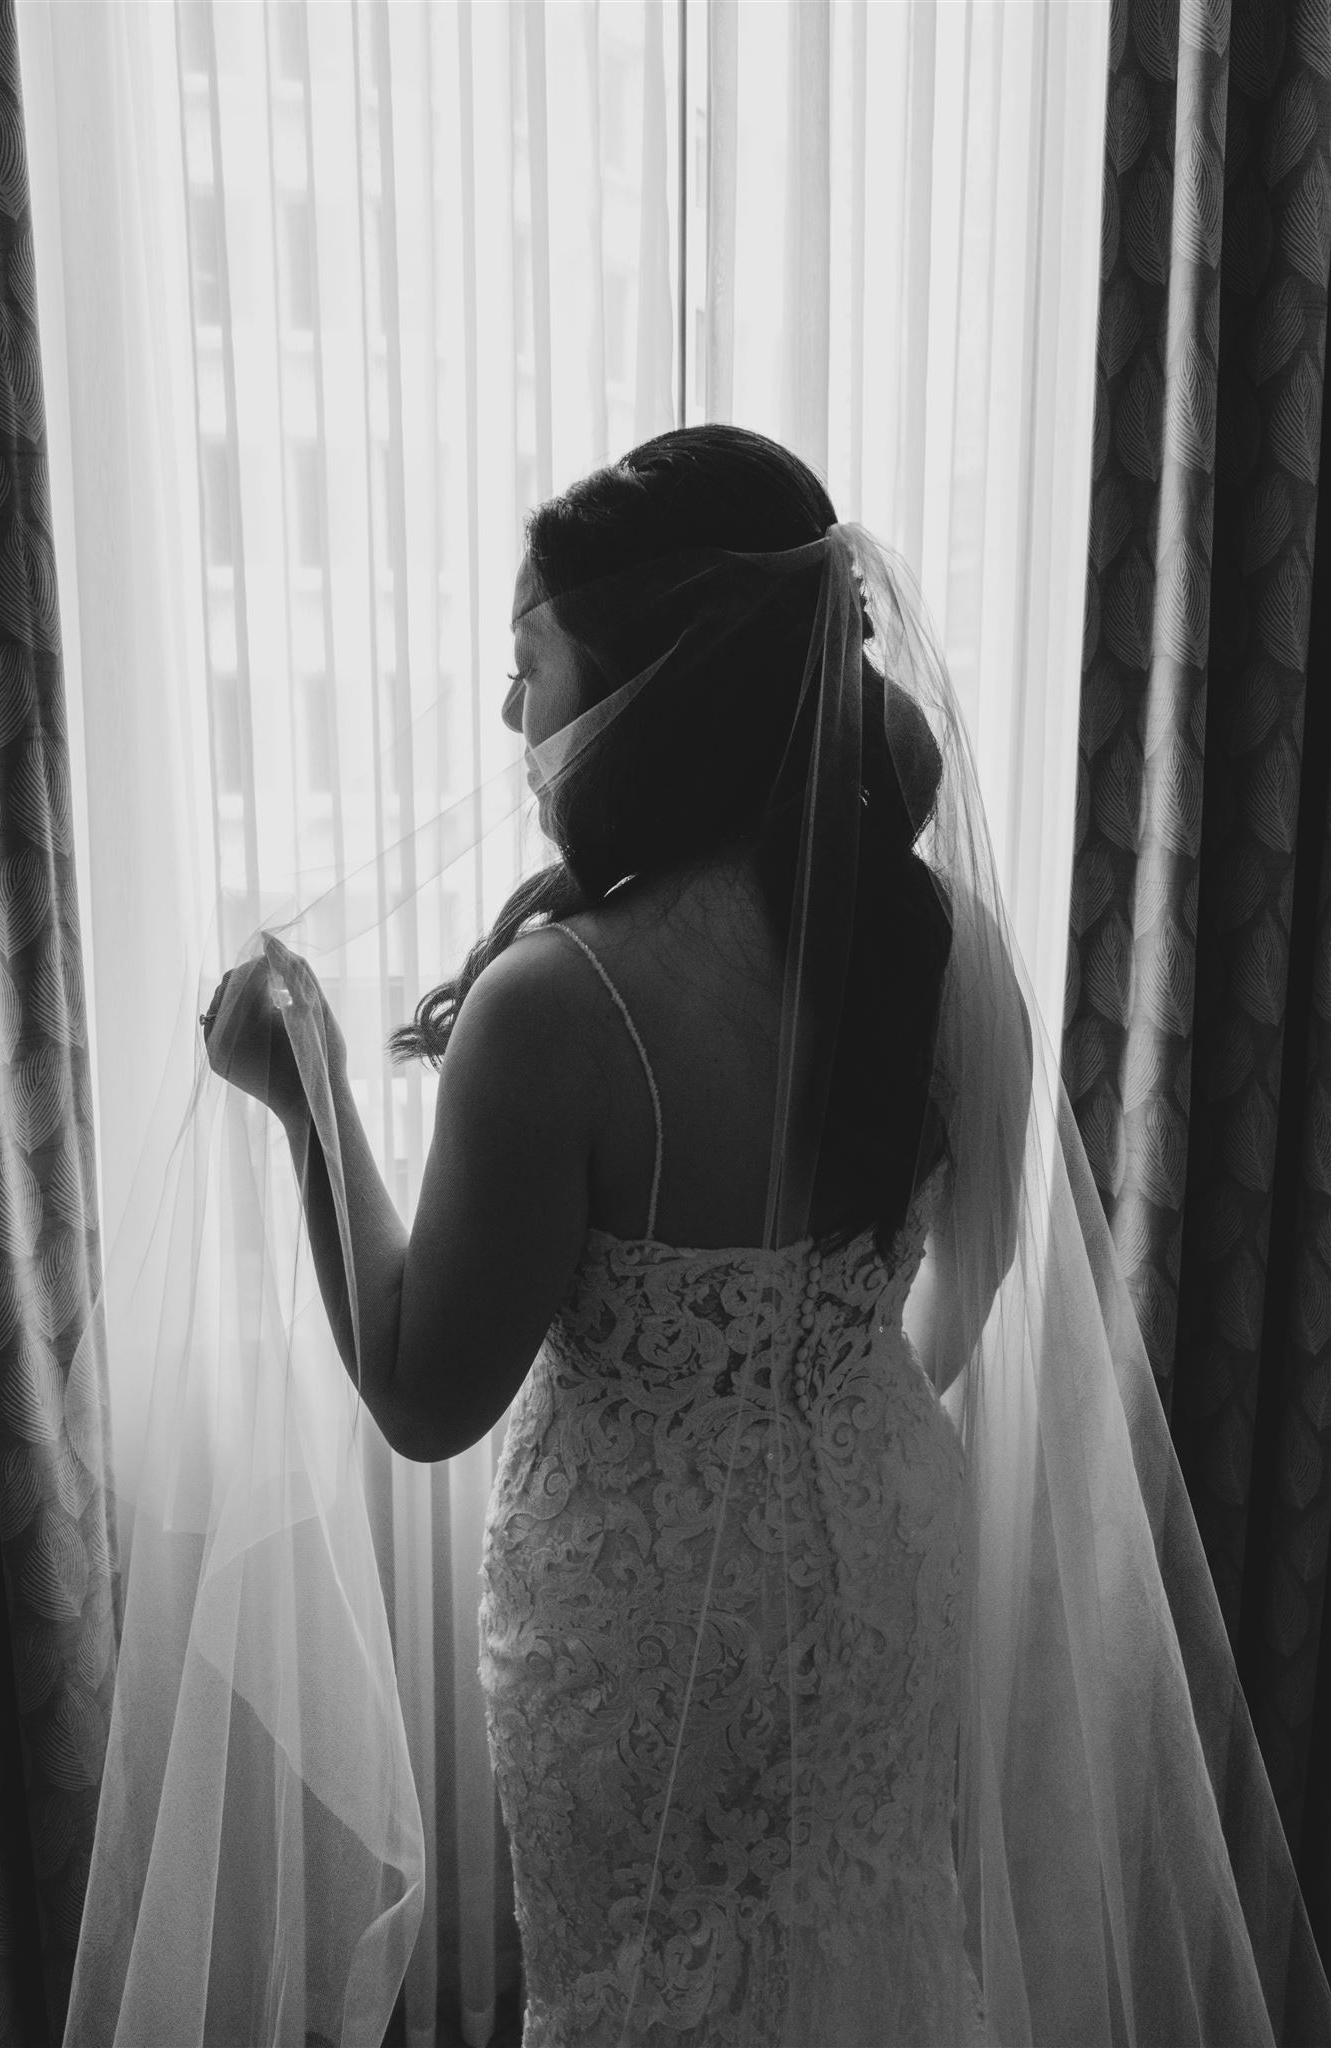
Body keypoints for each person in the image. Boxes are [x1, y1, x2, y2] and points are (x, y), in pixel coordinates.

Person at [182, 425, 1329, 2045]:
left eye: (529, 662)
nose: (509, 715)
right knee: (867, 1947)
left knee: (648, 1994)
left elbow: (423, 1395)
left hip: (644, 1637)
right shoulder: (940, 945)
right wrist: (803, 1402)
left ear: (648, 678)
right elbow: (959, 1300)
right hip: (878, 1558)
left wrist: (303, 1098)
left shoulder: (556, 1007)